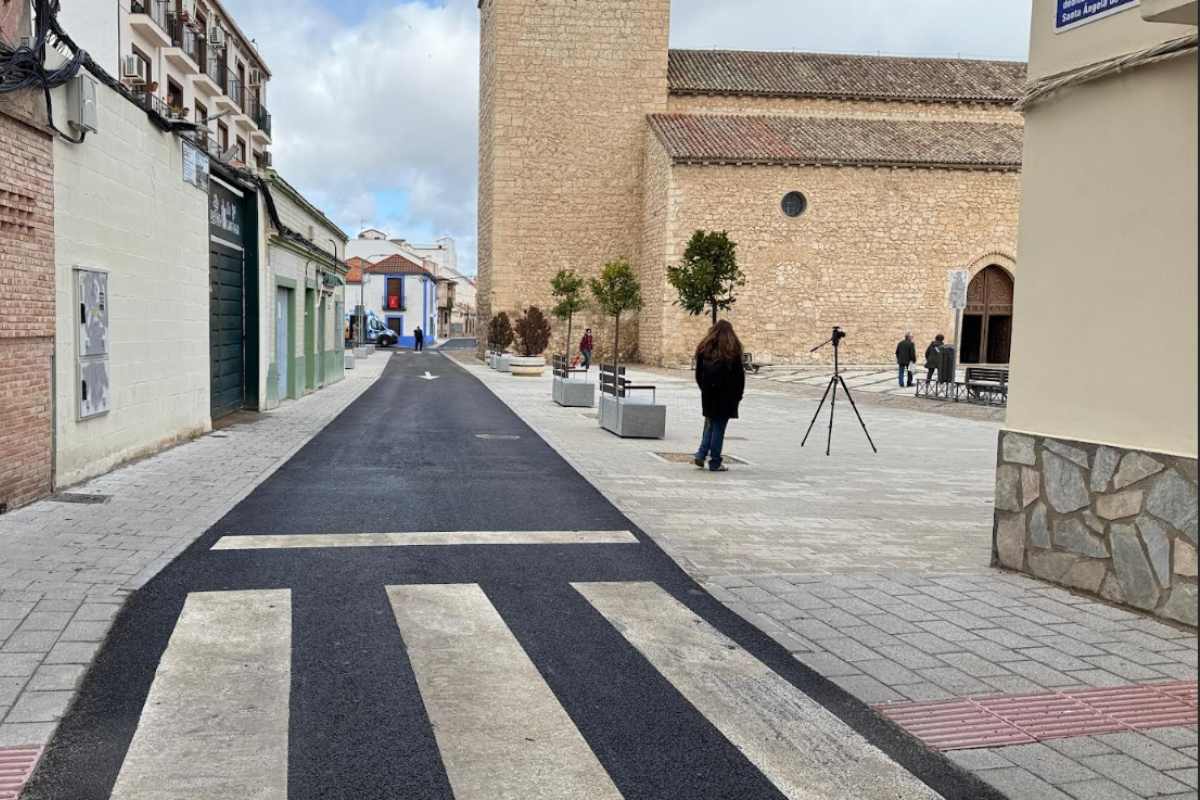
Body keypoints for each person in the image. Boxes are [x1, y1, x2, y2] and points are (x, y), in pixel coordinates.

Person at [693, 320, 745, 473]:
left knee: (710, 424)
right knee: (719, 428)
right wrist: (738, 395)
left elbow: (698, 374)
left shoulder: (704, 349)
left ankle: (701, 454)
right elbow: (739, 377)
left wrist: (704, 388)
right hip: (726, 395)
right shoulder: (732, 350)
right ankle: (715, 461)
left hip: (709, 393)